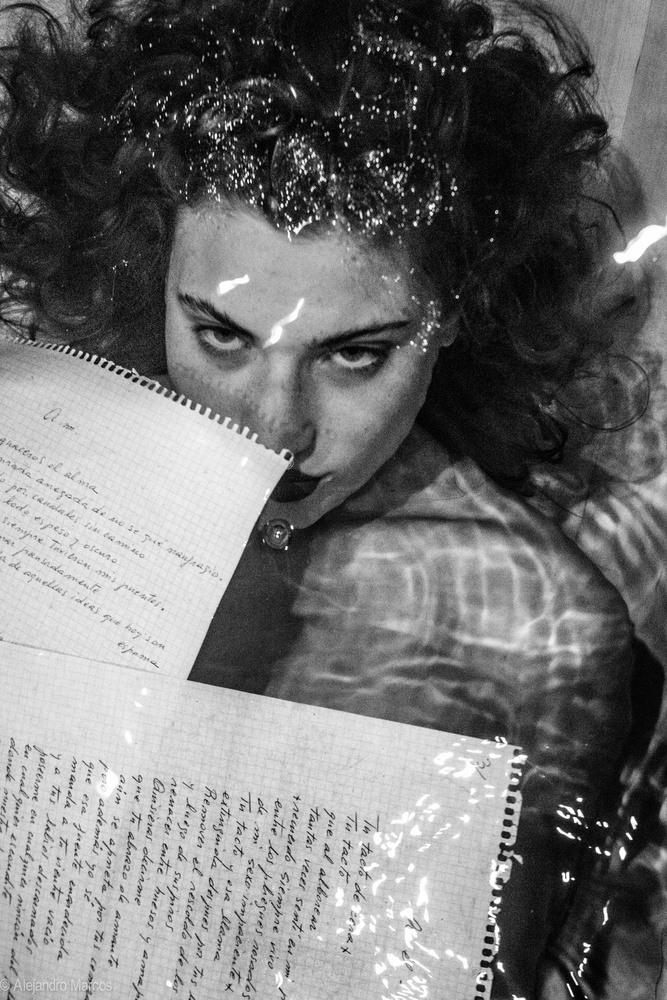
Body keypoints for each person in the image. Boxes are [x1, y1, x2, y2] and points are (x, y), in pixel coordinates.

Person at [0, 0, 640, 995]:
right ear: (152, 269)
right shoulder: (45, 468)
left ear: (454, 319)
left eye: (354, 354)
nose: (272, 425)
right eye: (220, 335)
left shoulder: (530, 622)